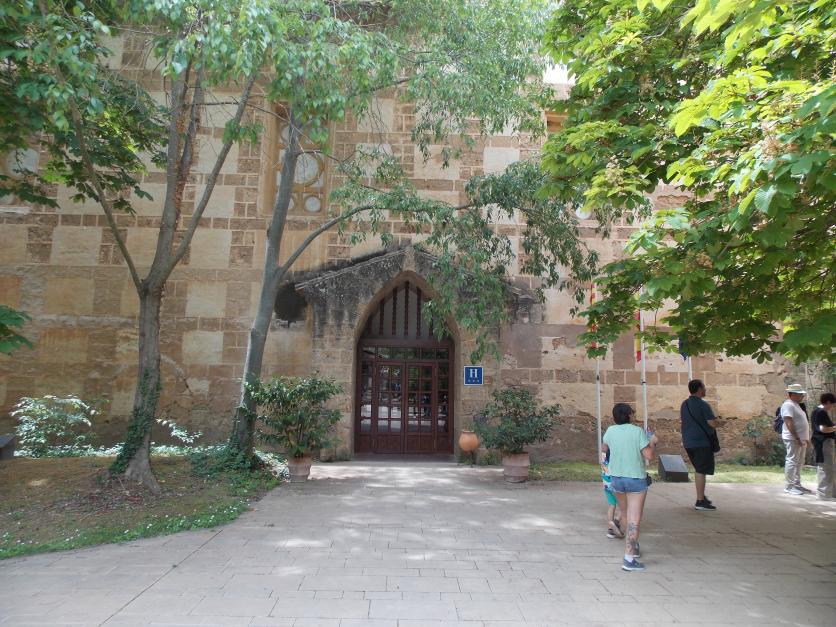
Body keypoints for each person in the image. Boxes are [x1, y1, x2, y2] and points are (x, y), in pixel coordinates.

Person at [602, 403, 657, 572]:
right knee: (635, 518)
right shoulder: (637, 432)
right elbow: (649, 455)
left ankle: (633, 545)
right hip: (635, 479)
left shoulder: (610, 431)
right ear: (629, 415)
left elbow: (604, 450)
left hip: (616, 478)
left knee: (625, 513)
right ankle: (629, 558)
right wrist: (652, 442)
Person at [680, 379, 720, 511]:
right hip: (701, 442)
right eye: (704, 387)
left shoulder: (684, 404)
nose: (705, 389)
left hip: (688, 442)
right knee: (701, 471)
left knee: (699, 469)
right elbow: (712, 423)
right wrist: (720, 422)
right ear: (699, 389)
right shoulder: (703, 405)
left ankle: (702, 496)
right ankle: (700, 501)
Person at [781, 383, 812, 495]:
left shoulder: (796, 405)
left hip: (800, 439)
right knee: (792, 461)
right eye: (799, 394)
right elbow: (788, 422)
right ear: (792, 394)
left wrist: (805, 438)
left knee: (799, 462)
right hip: (793, 439)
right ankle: (789, 486)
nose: (802, 396)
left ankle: (797, 484)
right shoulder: (788, 405)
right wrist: (797, 438)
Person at [811, 392, 836, 500]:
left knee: (826, 467)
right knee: (827, 468)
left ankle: (828, 493)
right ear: (828, 402)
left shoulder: (817, 411)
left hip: (821, 442)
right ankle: (824, 494)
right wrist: (835, 428)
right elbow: (823, 429)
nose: (833, 407)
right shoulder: (821, 412)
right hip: (823, 443)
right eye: (833, 405)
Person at [600, 449, 623, 539]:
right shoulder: (615, 460)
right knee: (624, 507)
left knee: (611, 505)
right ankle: (615, 524)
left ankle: (610, 529)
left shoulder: (603, 458)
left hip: (606, 485)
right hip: (615, 486)